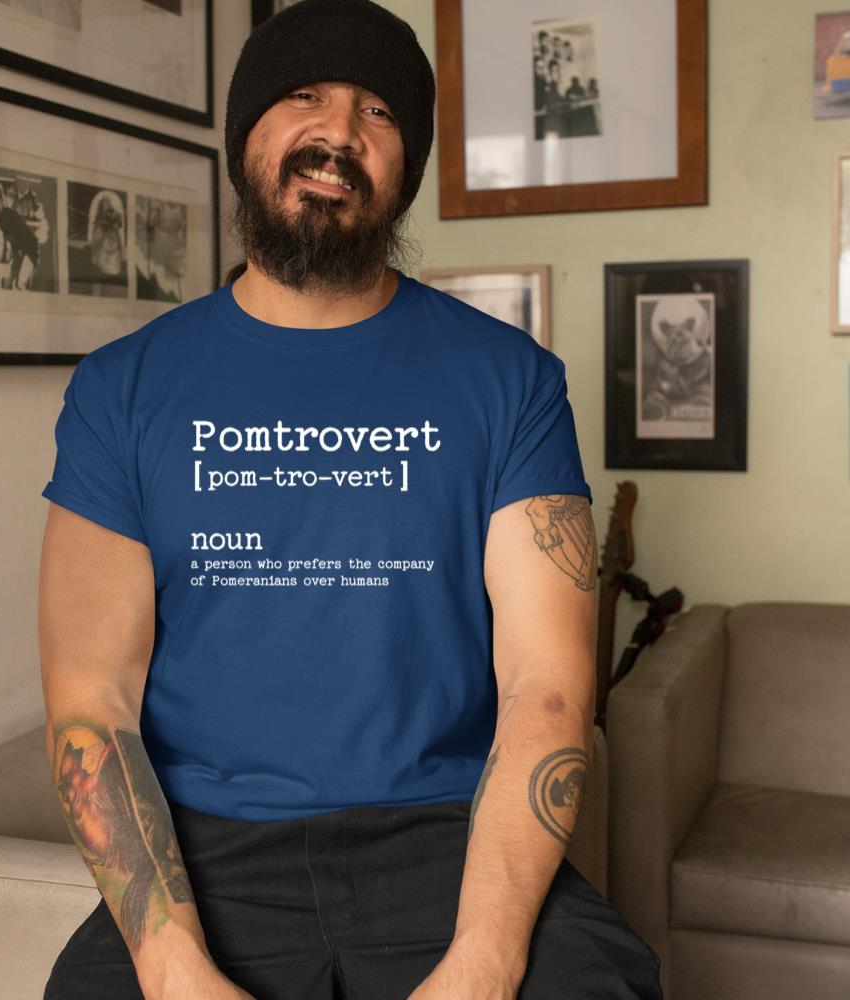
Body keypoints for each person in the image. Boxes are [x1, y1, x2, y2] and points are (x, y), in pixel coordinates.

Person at [38, 2, 664, 999]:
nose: (338, 132)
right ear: (245, 138)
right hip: (206, 848)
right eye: (304, 97)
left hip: (447, 834)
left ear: (405, 168)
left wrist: (485, 960)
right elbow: (91, 699)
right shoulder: (122, 389)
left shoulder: (512, 381)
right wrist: (171, 966)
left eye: (377, 111)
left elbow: (545, 686)